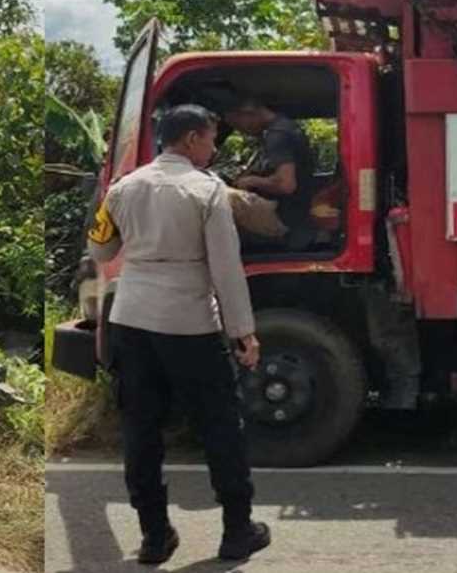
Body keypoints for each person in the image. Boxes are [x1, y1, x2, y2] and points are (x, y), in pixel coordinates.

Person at [88, 104, 272, 565]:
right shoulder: (207, 190)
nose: (213, 149)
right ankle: (237, 531)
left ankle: (154, 537)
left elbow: (100, 248)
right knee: (220, 425)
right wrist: (244, 333)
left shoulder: (122, 187)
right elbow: (226, 268)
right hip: (188, 322)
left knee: (141, 428)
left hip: (131, 320)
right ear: (191, 139)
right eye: (210, 139)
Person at [225, 96, 318, 250]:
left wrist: (251, 181)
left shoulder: (277, 134)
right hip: (297, 213)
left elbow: (286, 185)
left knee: (218, 196)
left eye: (236, 124)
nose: (240, 130)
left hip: (282, 216)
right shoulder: (286, 127)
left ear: (248, 113)